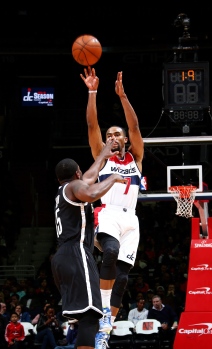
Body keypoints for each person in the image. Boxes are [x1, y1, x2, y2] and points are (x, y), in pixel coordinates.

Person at [81, 67, 145, 342]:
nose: (112, 137)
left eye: (116, 134)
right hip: (106, 215)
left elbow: (135, 126)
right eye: (109, 135)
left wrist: (122, 96)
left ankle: (104, 332)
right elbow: (92, 126)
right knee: (109, 252)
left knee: (122, 279)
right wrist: (93, 92)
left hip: (131, 220)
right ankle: (103, 310)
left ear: (125, 140)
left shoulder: (136, 158)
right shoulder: (102, 157)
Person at [52, 139, 126, 349]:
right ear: (77, 173)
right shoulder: (76, 187)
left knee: (86, 317)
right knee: (90, 316)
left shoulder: (64, 191)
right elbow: (91, 191)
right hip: (76, 254)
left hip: (64, 256)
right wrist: (112, 177)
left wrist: (103, 155)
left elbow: (88, 179)